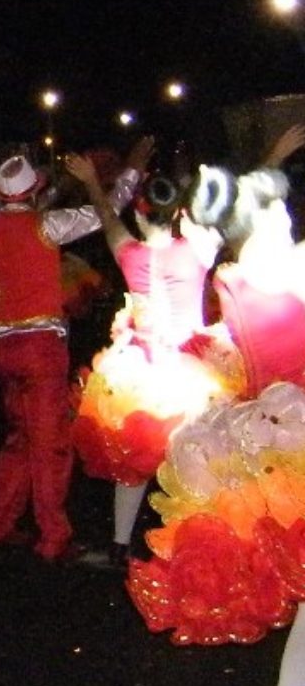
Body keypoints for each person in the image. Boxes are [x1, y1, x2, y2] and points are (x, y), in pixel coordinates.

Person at [122, 163, 305, 686]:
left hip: (256, 439)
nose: (288, 215)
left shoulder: (231, 275)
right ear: (261, 219)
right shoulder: (290, 269)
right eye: (277, 208)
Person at [0, 139, 152, 561]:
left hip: (1, 348)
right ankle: (53, 535)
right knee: (51, 444)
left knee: (19, 438)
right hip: (40, 348)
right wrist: (130, 169)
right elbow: (110, 208)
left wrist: (12, 188)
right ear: (33, 192)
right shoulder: (48, 225)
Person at [68, 161, 227, 568]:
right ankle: (193, 547)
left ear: (138, 213)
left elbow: (106, 217)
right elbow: (232, 207)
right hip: (190, 368)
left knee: (133, 459)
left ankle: (121, 544)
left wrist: (91, 182)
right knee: (195, 458)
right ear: (176, 213)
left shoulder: (128, 252)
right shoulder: (197, 249)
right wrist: (272, 157)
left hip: (136, 371)